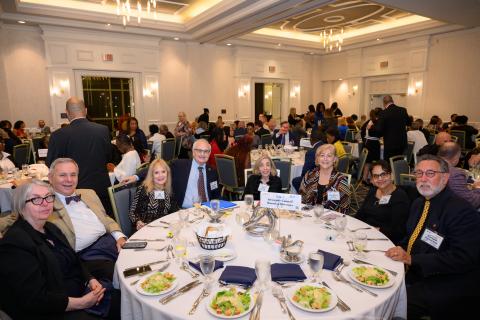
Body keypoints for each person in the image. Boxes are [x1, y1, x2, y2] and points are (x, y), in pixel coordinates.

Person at [0, 179, 120, 320]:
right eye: (36, 199)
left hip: (75, 294)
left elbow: (75, 261)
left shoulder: (51, 228)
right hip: (50, 310)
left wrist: (90, 279)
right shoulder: (15, 244)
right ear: (21, 206)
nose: (45, 203)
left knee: (121, 301)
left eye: (48, 197)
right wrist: (82, 303)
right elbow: (35, 299)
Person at [385, 154, 480, 319]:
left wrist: (412, 260)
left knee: (392, 303)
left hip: (447, 280)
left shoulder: (461, 210)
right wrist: (400, 247)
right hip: (417, 270)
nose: (423, 179)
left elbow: (463, 258)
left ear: (445, 178)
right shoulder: (419, 203)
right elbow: (412, 236)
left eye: (430, 173)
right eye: (419, 173)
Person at [48, 158, 126, 281]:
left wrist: (119, 237)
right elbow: (17, 215)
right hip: (88, 255)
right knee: (124, 277)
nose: (69, 180)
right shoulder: (45, 203)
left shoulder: (88, 193)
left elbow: (106, 218)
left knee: (146, 261)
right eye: (62, 175)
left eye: (73, 175)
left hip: (112, 242)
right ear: (50, 178)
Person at [46, 97, 113, 214]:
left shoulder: (58, 135)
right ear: (86, 111)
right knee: (104, 223)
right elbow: (109, 157)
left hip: (73, 191)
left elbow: (51, 164)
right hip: (100, 189)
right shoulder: (102, 130)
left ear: (67, 113)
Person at [355, 160, 411, 244]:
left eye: (383, 174)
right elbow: (360, 214)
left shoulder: (399, 197)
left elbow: (398, 231)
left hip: (384, 240)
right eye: (376, 176)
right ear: (372, 180)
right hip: (365, 234)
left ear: (391, 175)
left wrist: (373, 230)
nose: (380, 179)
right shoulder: (373, 191)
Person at [299, 144, 350, 213]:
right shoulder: (309, 175)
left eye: (329, 156)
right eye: (322, 155)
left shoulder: (341, 180)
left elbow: (345, 207)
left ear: (334, 159)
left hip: (331, 220)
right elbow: (302, 198)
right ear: (317, 158)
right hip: (309, 216)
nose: (325, 158)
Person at [129, 159, 179, 230]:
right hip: (145, 228)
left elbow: (174, 210)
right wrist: (138, 222)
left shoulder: (168, 190)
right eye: (156, 173)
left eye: (163, 172)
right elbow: (132, 212)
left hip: (163, 228)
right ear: (151, 175)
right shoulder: (143, 189)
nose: (160, 175)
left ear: (167, 173)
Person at [171, 139, 220, 208]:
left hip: (207, 209)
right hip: (185, 211)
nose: (202, 154)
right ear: (193, 152)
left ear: (209, 153)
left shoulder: (212, 171)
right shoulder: (179, 166)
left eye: (206, 151)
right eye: (199, 150)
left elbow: (216, 194)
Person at [368, 95, 411, 161]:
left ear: (384, 103)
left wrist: (371, 127)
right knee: (399, 162)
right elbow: (409, 123)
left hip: (390, 144)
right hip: (402, 143)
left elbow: (379, 130)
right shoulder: (403, 110)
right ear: (393, 101)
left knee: (389, 164)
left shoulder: (383, 113)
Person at [438, 142, 480, 208]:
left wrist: (471, 181)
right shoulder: (454, 174)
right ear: (456, 157)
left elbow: (465, 180)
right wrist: (478, 188)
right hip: (450, 213)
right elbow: (471, 202)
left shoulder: (429, 165)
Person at [292, 128, 325, 192]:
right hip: (325, 176)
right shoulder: (324, 145)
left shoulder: (311, 152)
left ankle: (304, 197)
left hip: (315, 180)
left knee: (295, 181)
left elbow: (305, 172)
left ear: (311, 139)